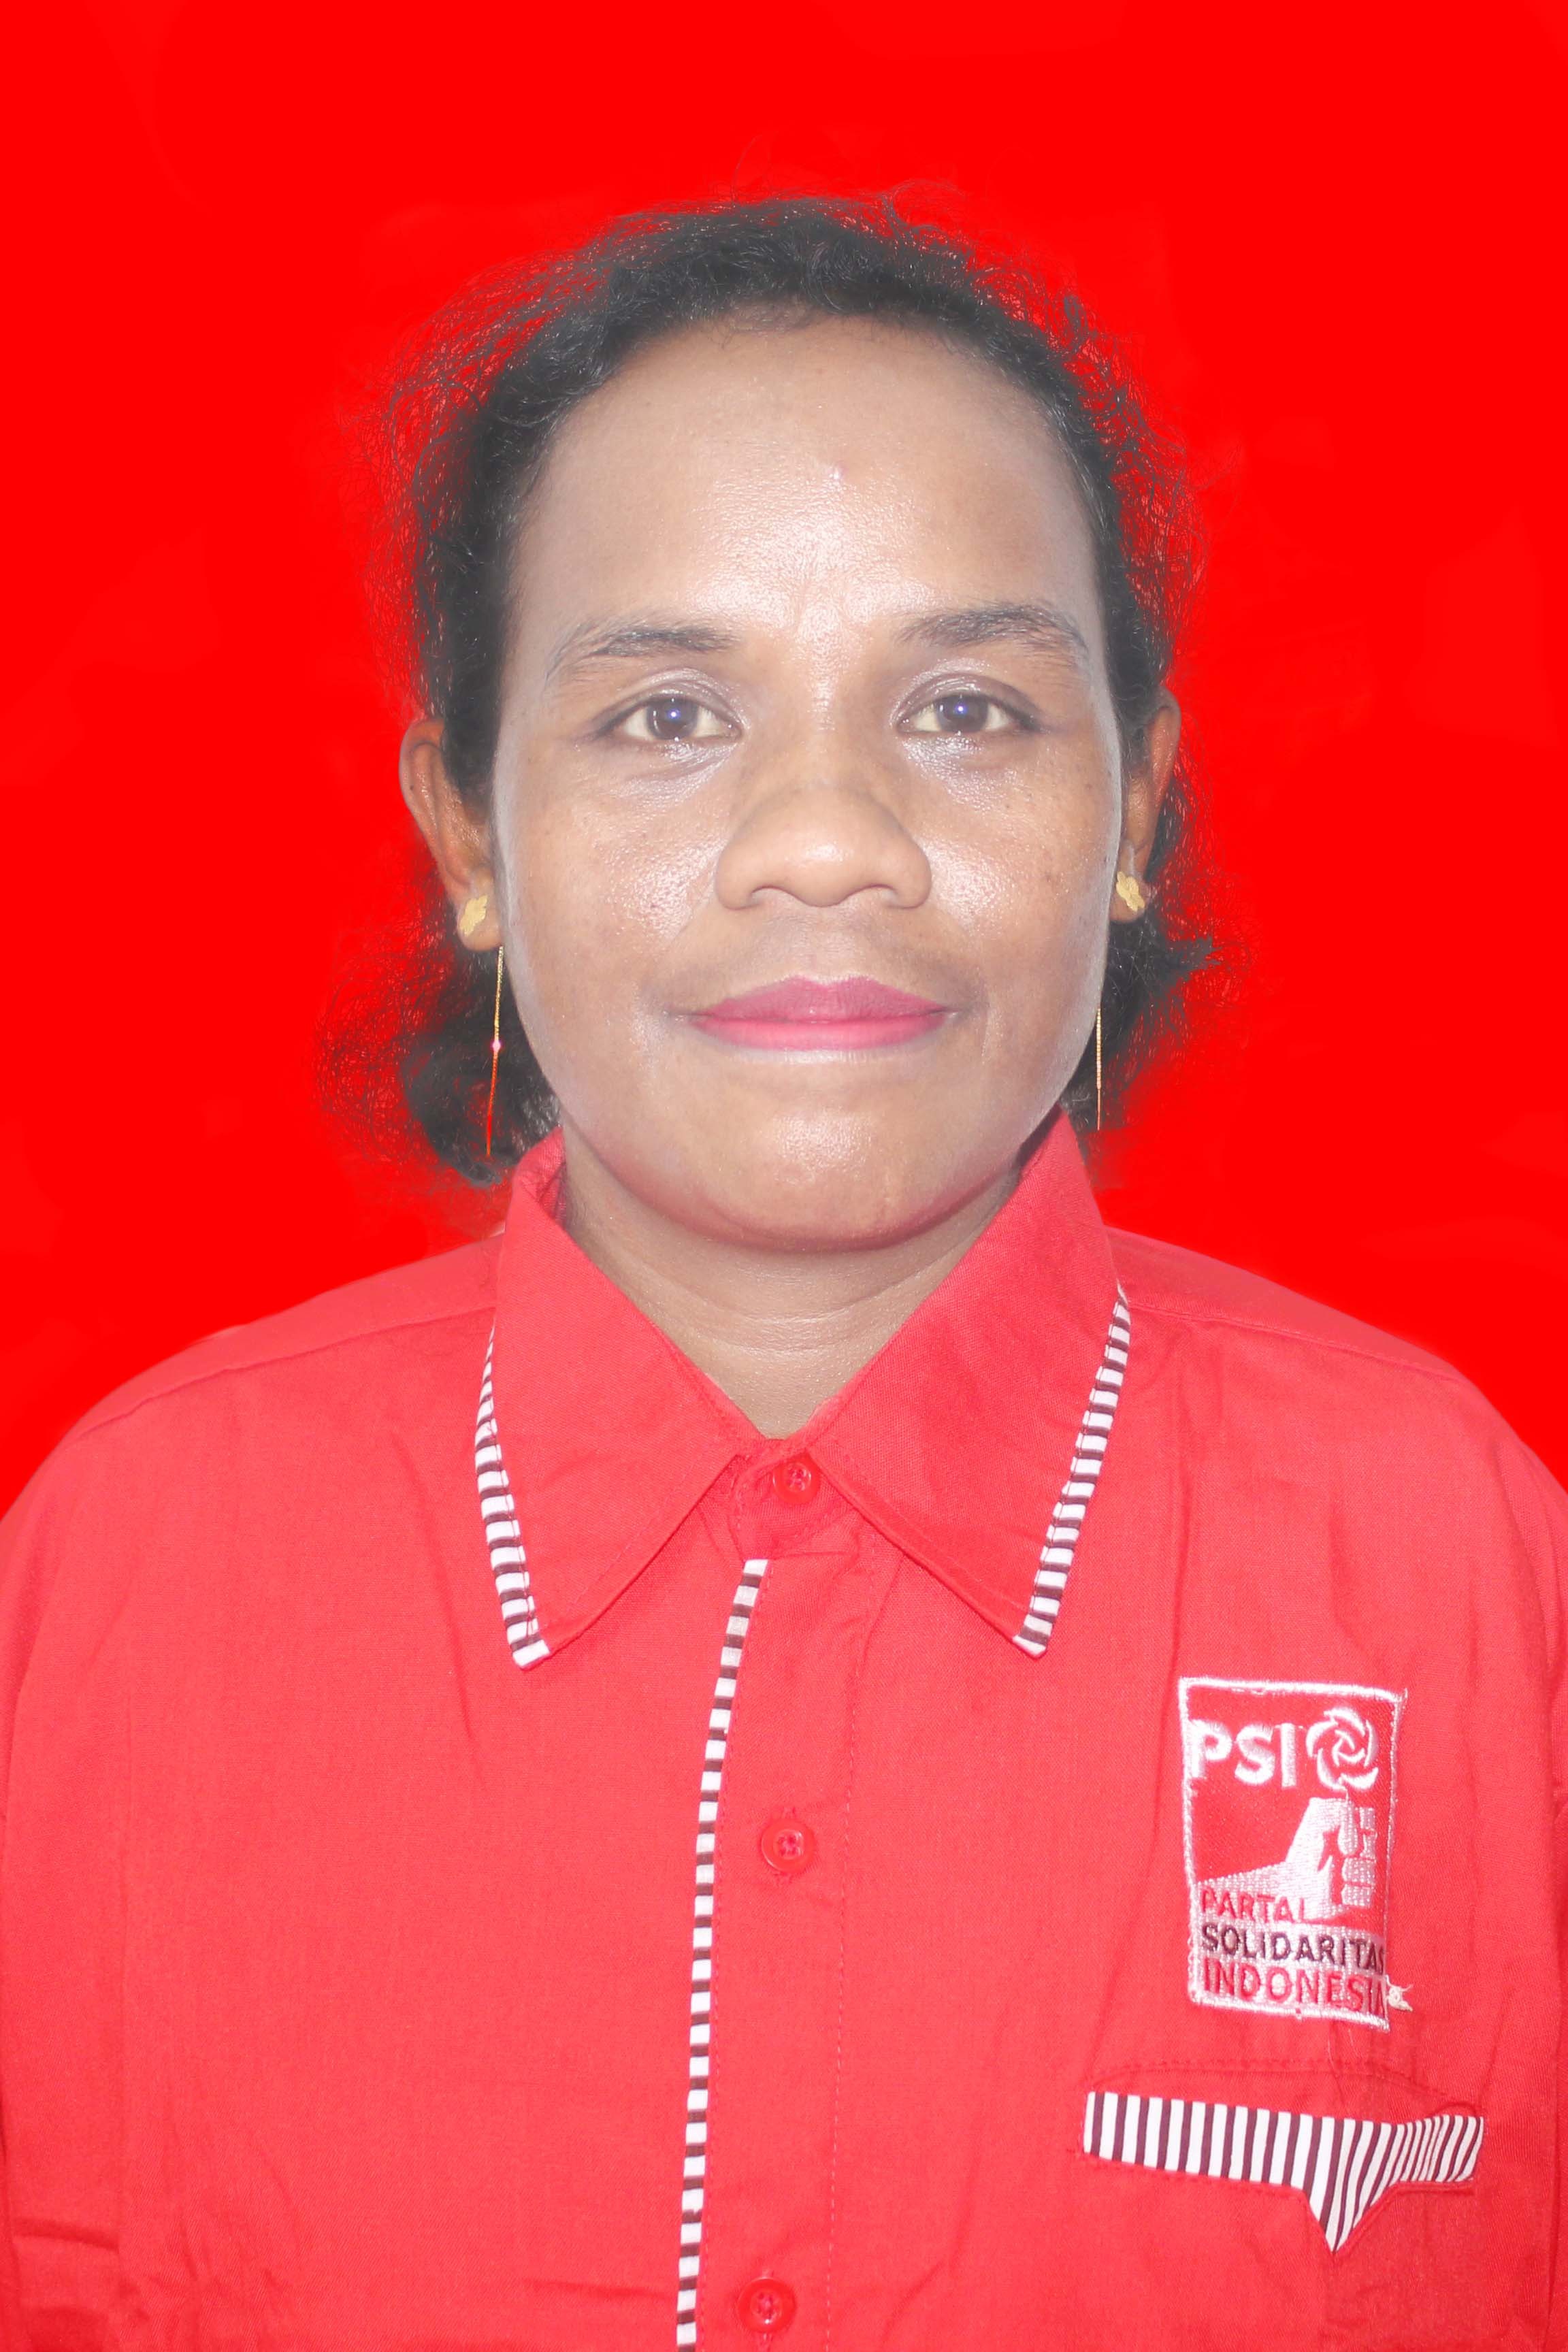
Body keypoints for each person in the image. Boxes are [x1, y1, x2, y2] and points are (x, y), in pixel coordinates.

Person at [0, 197, 1563, 2352]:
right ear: (470, 838)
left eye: (967, 709)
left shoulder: (1452, 1556)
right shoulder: (127, 1564)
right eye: (666, 717)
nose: (826, 839)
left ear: (1133, 811)